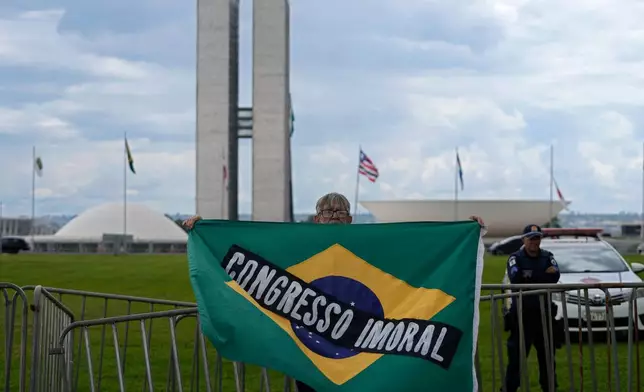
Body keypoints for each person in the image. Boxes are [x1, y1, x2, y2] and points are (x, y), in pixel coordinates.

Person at [183, 192, 486, 392]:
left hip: (361, 346)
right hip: (310, 351)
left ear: (350, 219)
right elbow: (251, 249)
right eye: (327, 213)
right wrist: (201, 229)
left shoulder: (369, 244)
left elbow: (414, 250)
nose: (333, 217)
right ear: (316, 218)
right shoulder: (297, 245)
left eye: (339, 213)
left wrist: (466, 232)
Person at [503, 224, 560, 392]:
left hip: (544, 315)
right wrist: (543, 275)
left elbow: (555, 276)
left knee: (547, 358)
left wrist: (529, 276)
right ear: (523, 240)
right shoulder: (515, 257)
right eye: (531, 238)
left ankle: (549, 388)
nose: (534, 242)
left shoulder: (548, 256)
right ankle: (510, 388)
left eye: (537, 238)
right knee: (516, 358)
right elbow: (516, 279)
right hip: (522, 316)